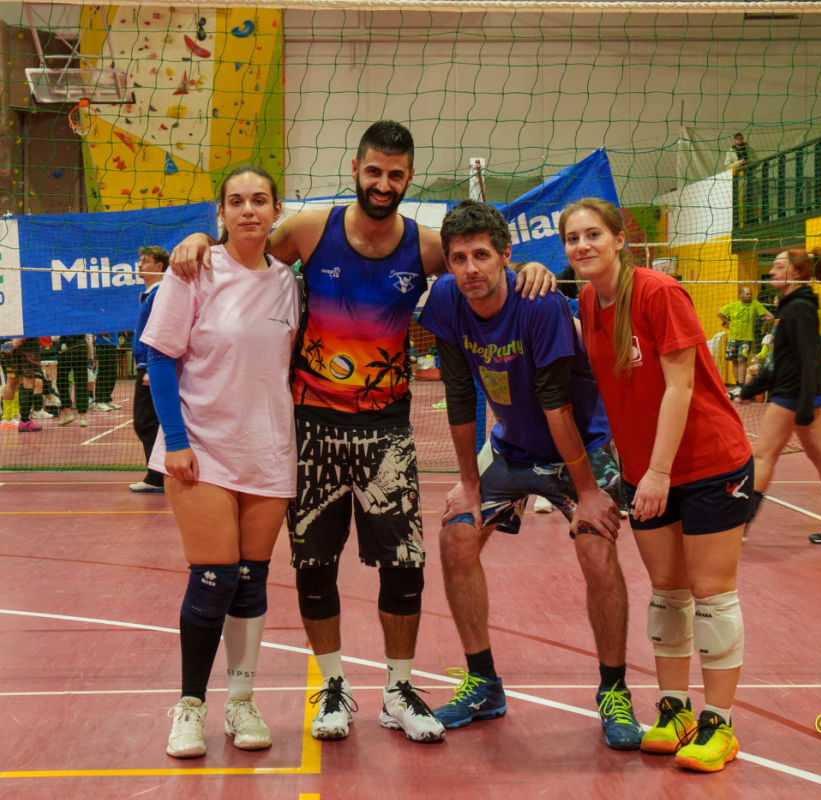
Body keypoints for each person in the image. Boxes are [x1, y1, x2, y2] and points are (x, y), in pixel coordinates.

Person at [168, 120, 558, 745]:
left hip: (386, 428)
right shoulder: (307, 230)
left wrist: (534, 267)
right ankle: (333, 686)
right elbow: (243, 249)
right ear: (355, 169)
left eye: (395, 175)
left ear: (408, 178)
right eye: (373, 171)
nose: (383, 183)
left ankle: (398, 690)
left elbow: (481, 262)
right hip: (312, 425)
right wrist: (199, 239)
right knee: (315, 563)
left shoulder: (427, 247)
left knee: (404, 565)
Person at [418, 200, 635, 748]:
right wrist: (470, 484)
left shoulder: (540, 303)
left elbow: (557, 403)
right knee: (456, 539)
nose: (471, 269)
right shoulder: (446, 299)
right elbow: (459, 394)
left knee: (596, 549)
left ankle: (614, 692)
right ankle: (483, 684)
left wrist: (587, 493)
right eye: (459, 258)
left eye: (481, 255)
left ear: (506, 256)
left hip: (581, 448)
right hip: (509, 447)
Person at [564, 198, 752, 773]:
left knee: (712, 596)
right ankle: (675, 713)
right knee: (667, 595)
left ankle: (719, 725)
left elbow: (679, 387)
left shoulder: (658, 292)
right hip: (646, 471)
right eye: (572, 238)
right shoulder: (589, 300)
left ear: (620, 240)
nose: (582, 246)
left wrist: (660, 472)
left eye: (593, 234)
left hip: (707, 462)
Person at [145, 165, 299, 759]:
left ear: (277, 210)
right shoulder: (194, 269)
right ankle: (190, 707)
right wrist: (176, 440)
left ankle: (241, 701)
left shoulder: (289, 282)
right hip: (201, 449)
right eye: (236, 201)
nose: (248, 210)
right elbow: (160, 358)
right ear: (221, 214)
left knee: (251, 581)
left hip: (268, 450)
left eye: (259, 200)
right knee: (213, 581)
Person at [740, 249, 821, 544]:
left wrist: (804, 405)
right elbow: (781, 361)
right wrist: (750, 389)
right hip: (798, 393)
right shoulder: (791, 306)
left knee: (763, 456)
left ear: (797, 273)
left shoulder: (799, 308)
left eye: (780, 266)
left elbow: (809, 358)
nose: (772, 271)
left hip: (793, 395)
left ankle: (738, 525)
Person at [130, 245, 169, 493]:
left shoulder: (159, 294)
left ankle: (159, 476)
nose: (139, 265)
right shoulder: (150, 294)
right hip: (148, 364)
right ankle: (159, 475)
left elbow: (159, 331)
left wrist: (150, 366)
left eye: (145, 261)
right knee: (149, 421)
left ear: (159, 266)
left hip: (151, 365)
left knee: (146, 421)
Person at [717, 287, 773, 387]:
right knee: (734, 361)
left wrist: (766, 319)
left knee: (741, 360)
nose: (749, 296)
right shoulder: (733, 305)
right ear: (741, 295)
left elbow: (771, 316)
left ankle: (741, 385)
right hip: (733, 337)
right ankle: (737, 385)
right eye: (747, 294)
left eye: (750, 294)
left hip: (746, 338)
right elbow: (719, 313)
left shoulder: (755, 304)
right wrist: (728, 322)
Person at [0, 337, 46, 432]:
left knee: (17, 382)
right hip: (26, 349)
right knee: (21, 382)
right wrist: (18, 340)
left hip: (9, 346)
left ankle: (12, 416)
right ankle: (22, 421)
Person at [55, 335, 94, 428]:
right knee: (81, 383)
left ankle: (68, 413)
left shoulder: (59, 324)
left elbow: (54, 338)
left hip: (65, 351)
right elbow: (88, 339)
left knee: (61, 382)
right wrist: (90, 356)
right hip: (81, 349)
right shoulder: (81, 325)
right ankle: (83, 417)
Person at [91, 332, 121, 411]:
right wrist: (111, 328)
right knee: (104, 374)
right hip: (103, 345)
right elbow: (98, 330)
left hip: (113, 345)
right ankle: (99, 401)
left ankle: (107, 399)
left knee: (112, 374)